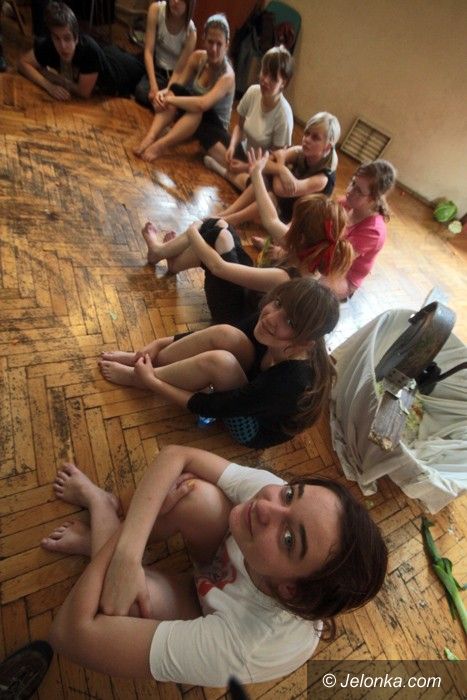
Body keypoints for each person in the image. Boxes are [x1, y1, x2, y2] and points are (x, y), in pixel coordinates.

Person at [43, 445, 388, 686]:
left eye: (288, 539)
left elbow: (69, 634)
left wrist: (122, 542)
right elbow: (177, 455)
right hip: (217, 569)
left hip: (205, 612)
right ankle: (114, 542)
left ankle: (102, 509)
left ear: (290, 589)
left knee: (122, 605)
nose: (266, 506)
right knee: (195, 495)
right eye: (289, 494)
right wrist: (128, 552)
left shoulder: (245, 646)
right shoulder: (276, 500)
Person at [99, 278, 339, 449]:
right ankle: (145, 361)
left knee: (220, 363)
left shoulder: (293, 382)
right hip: (254, 387)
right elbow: (217, 335)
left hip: (253, 424)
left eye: (290, 322)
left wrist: (152, 383)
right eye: (277, 302)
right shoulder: (272, 323)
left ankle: (139, 377)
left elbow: (217, 407)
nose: (271, 317)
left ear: (305, 342)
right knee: (226, 333)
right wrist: (159, 343)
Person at [141, 149, 353, 325]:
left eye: (293, 223)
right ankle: (172, 262)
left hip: (234, 319)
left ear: (302, 235)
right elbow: (270, 218)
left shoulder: (287, 278)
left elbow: (219, 268)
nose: (288, 225)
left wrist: (193, 232)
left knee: (213, 231)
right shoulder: (307, 249)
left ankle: (159, 253)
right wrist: (257, 172)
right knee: (222, 228)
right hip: (247, 298)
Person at [133, 13, 235, 162]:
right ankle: (151, 136)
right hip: (194, 116)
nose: (214, 49)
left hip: (213, 128)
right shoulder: (197, 58)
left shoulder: (227, 76)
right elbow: (177, 86)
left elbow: (203, 104)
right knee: (175, 91)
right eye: (210, 42)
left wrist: (171, 100)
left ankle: (161, 145)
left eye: (219, 44)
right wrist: (163, 94)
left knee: (196, 109)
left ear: (227, 45)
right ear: (204, 39)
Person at [216, 111, 340, 228]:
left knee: (269, 196)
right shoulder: (300, 151)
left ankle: (229, 220)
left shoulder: (322, 179)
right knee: (261, 181)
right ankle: (225, 214)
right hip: (282, 200)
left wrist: (280, 164)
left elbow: (279, 190)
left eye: (315, 138)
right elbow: (263, 163)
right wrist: (281, 170)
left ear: (327, 146)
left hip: (292, 218)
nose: (307, 139)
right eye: (307, 133)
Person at [203, 45, 294, 191]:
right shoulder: (253, 92)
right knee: (206, 128)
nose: (265, 80)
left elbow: (276, 160)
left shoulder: (284, 115)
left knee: (257, 187)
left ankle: (223, 170)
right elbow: (239, 127)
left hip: (262, 167)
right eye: (264, 72)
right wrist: (232, 146)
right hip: (244, 151)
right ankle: (234, 171)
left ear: (283, 83)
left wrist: (246, 167)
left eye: (273, 78)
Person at [18, 2, 145, 100]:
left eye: (67, 38)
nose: (62, 46)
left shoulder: (88, 50)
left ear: (76, 37)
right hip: (111, 56)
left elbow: (83, 92)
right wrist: (48, 86)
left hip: (128, 73)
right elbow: (23, 63)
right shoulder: (50, 44)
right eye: (56, 38)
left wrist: (54, 77)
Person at [326, 160, 397, 300]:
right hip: (327, 255)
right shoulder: (345, 203)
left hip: (343, 275)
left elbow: (336, 260)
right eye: (353, 183)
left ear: (374, 199)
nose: (349, 191)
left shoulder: (373, 231)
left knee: (309, 282)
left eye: (359, 190)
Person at [134, 0, 197, 110]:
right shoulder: (156, 9)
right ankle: (161, 104)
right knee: (141, 91)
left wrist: (167, 92)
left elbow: (178, 71)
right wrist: (153, 87)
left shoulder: (191, 33)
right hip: (157, 69)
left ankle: (164, 105)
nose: (175, 2)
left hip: (174, 76)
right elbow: (148, 51)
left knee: (174, 101)